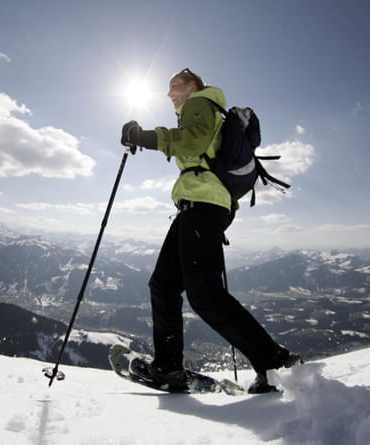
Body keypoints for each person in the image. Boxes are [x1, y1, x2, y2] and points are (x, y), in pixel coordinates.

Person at [120, 68, 301, 393]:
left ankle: (273, 361)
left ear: (192, 85)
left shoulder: (199, 103)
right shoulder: (202, 109)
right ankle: (168, 368)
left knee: (204, 294)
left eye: (175, 86)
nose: (170, 93)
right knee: (163, 285)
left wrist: (142, 137)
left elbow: (193, 140)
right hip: (198, 205)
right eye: (169, 89)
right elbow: (198, 146)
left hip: (202, 206)